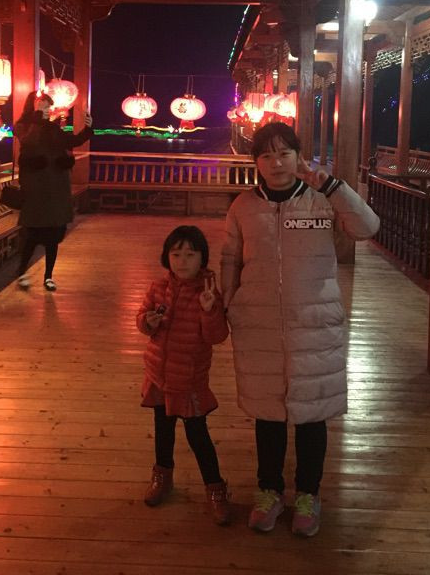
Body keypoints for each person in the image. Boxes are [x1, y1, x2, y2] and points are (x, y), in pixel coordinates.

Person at [221, 122, 380, 536]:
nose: (276, 163)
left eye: (284, 153)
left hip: (314, 323)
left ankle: (309, 493)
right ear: (256, 163)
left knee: (312, 415)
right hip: (259, 324)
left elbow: (367, 228)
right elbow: (230, 259)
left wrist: (333, 186)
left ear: (298, 156)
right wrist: (229, 305)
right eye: (266, 155)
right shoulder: (243, 206)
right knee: (268, 415)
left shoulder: (320, 200)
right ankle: (269, 491)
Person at [136, 225, 231, 525]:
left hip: (189, 381)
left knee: (198, 436)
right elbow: (141, 320)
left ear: (202, 258)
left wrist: (209, 309)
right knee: (162, 431)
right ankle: (162, 476)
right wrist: (148, 322)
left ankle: (215, 488)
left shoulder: (208, 292)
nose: (182, 261)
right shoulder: (158, 287)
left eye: (190, 254)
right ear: (166, 257)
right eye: (176, 254)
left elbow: (217, 336)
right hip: (158, 376)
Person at [14, 91, 92, 291]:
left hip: (56, 188)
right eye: (43, 106)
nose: (47, 110)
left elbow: (72, 141)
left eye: (48, 107)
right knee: (32, 235)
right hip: (36, 190)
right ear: (32, 106)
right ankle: (21, 271)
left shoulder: (53, 128)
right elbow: (29, 141)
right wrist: (37, 118)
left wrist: (87, 129)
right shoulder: (23, 126)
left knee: (53, 236)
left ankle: (48, 276)